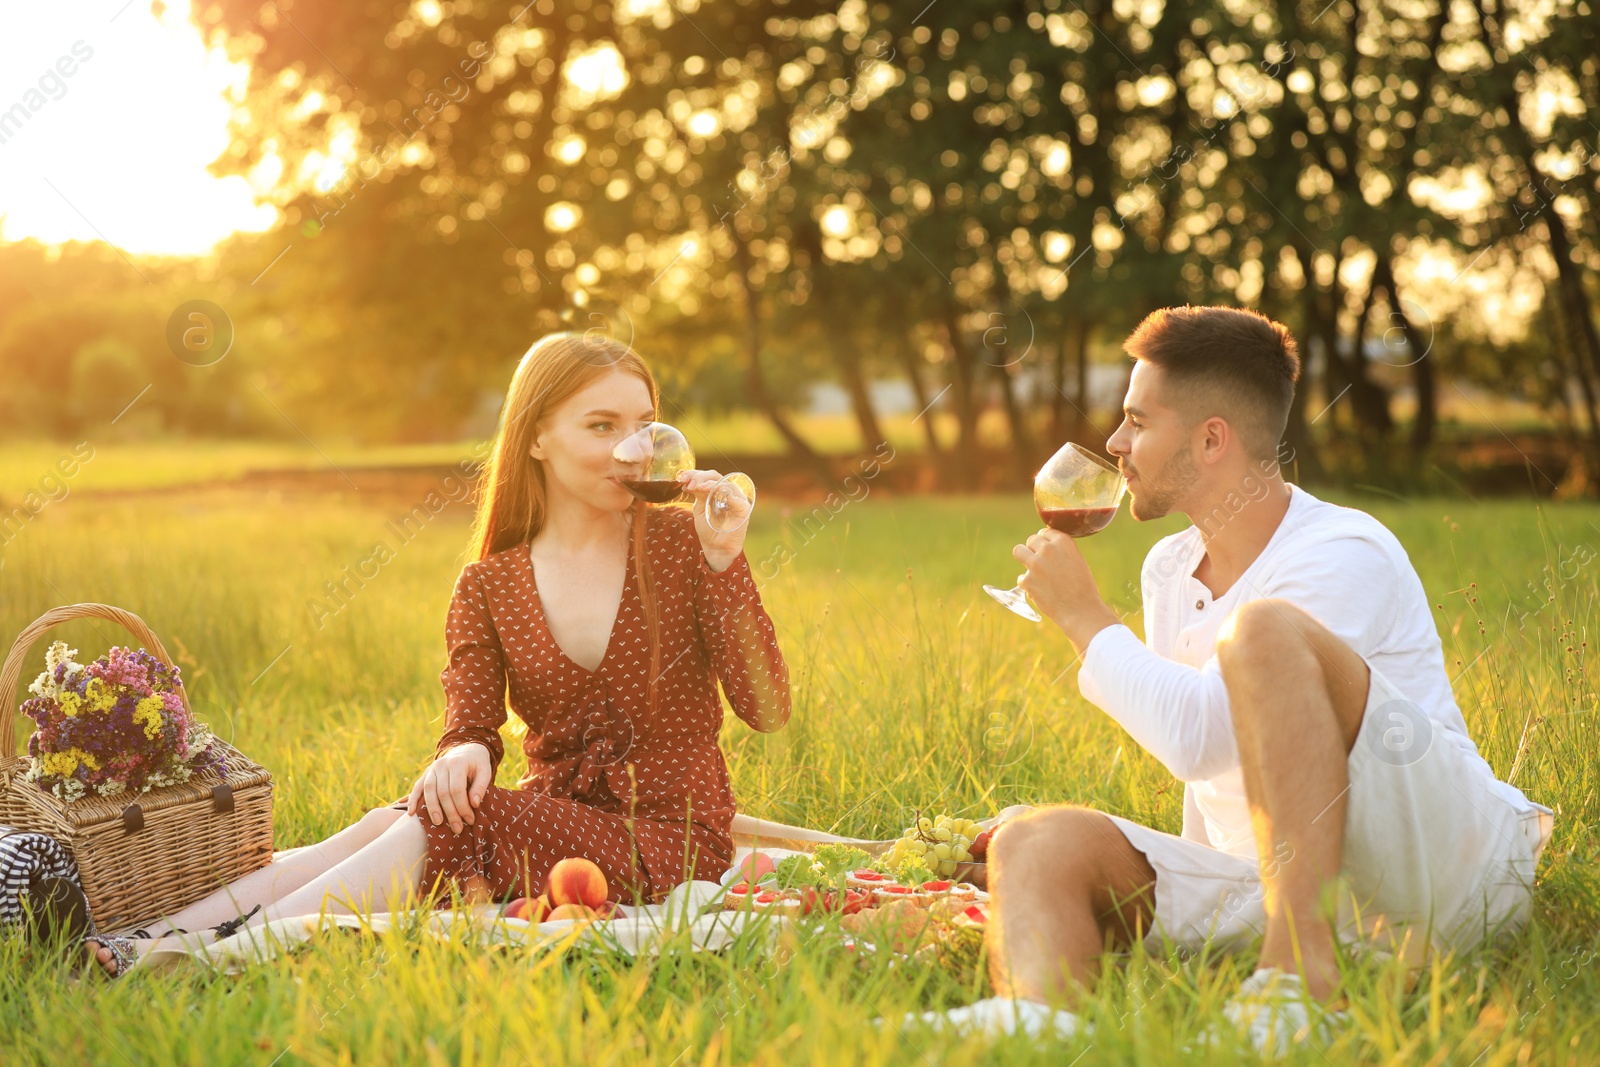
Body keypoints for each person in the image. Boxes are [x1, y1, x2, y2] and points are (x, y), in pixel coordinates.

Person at [912, 306, 1553, 1054]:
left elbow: (1197, 732)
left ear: (1212, 438)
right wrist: (1179, 881)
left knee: (1261, 633)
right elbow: (1211, 770)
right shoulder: (1169, 568)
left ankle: (1297, 988)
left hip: (1443, 872)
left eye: (1137, 422)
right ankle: (1036, 1014)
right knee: (1035, 837)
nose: (1115, 444)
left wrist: (1087, 620)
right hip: (1279, 883)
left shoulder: (1344, 549)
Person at [84, 333, 791, 976]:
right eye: (601, 426)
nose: (631, 448)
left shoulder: (684, 546)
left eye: (642, 425)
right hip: (552, 824)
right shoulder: (489, 583)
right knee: (403, 814)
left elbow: (768, 707)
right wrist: (462, 752)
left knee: (460, 819)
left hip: (668, 838)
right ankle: (138, 932)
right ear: (537, 437)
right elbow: (471, 725)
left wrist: (726, 560)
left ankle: (224, 953)